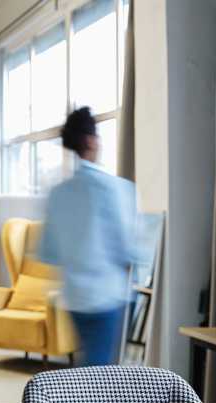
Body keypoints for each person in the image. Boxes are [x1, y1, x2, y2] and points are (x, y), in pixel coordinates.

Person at [39, 107, 141, 367]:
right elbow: (129, 248)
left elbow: (49, 252)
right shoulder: (114, 189)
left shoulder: (57, 193)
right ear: (90, 140)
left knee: (91, 364)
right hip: (107, 296)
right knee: (99, 372)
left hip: (74, 297)